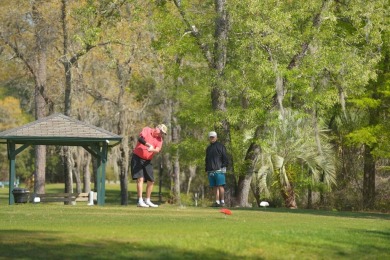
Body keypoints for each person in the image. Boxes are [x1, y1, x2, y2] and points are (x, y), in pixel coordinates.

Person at [131, 124, 167, 207]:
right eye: (161, 132)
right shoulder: (147, 130)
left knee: (151, 180)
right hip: (137, 158)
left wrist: (152, 149)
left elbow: (157, 150)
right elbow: (140, 139)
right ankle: (140, 200)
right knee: (140, 179)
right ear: (157, 128)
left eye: (162, 133)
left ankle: (147, 200)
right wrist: (148, 145)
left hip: (147, 160)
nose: (161, 134)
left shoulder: (160, 139)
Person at [205, 131, 228, 207]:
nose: (212, 138)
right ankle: (217, 201)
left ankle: (222, 201)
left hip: (219, 170)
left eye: (213, 137)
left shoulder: (221, 146)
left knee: (220, 185)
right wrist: (206, 169)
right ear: (209, 138)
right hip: (210, 170)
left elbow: (225, 158)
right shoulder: (208, 148)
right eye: (211, 137)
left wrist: (224, 167)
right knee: (214, 186)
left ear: (216, 137)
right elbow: (207, 159)